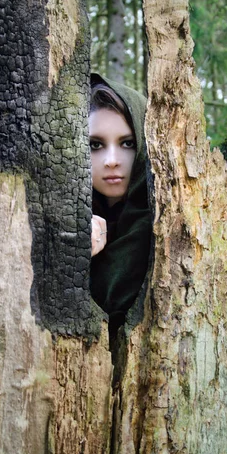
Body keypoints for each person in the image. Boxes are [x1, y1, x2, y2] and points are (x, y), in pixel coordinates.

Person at [89, 74, 152, 335]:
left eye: (127, 143)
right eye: (95, 145)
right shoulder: (56, 216)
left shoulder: (167, 220)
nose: (112, 160)